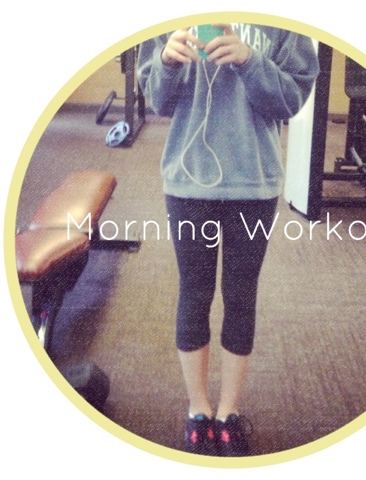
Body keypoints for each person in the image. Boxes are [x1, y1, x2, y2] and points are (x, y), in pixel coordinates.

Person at [137, 23, 319, 457]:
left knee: (240, 295)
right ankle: (198, 410)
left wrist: (250, 61)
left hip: (253, 183)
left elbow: (291, 101)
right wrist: (166, 62)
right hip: (188, 181)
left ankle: (228, 412)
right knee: (194, 293)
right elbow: (158, 101)